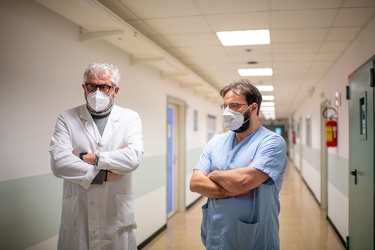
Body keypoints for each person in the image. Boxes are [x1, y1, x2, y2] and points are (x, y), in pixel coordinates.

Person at [49, 63, 144, 250]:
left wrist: (88, 158)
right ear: (84, 87)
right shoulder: (67, 118)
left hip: (115, 217)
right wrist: (103, 175)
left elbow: (132, 158)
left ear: (115, 90)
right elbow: (59, 162)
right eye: (92, 86)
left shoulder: (129, 118)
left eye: (104, 87)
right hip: (79, 215)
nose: (97, 92)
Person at [190, 79, 287, 250]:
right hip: (215, 235)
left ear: (253, 108)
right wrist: (233, 185)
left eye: (235, 106)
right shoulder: (216, 142)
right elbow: (196, 183)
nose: (228, 112)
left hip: (254, 239)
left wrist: (214, 175)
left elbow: (244, 181)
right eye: (225, 106)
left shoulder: (272, 142)